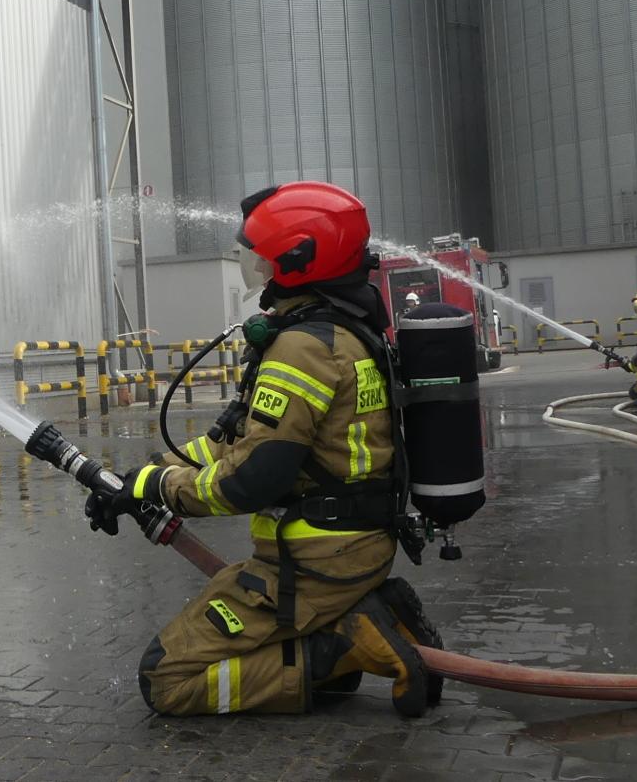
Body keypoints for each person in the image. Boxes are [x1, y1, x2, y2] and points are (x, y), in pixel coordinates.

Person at [85, 182, 439, 717]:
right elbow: (235, 442)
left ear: (299, 258)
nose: (256, 265)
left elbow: (249, 481)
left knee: (167, 678)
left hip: (313, 566)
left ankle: (346, 644)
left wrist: (160, 489)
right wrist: (140, 477)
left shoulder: (302, 348)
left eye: (265, 255)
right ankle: (366, 616)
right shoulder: (344, 330)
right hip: (351, 548)